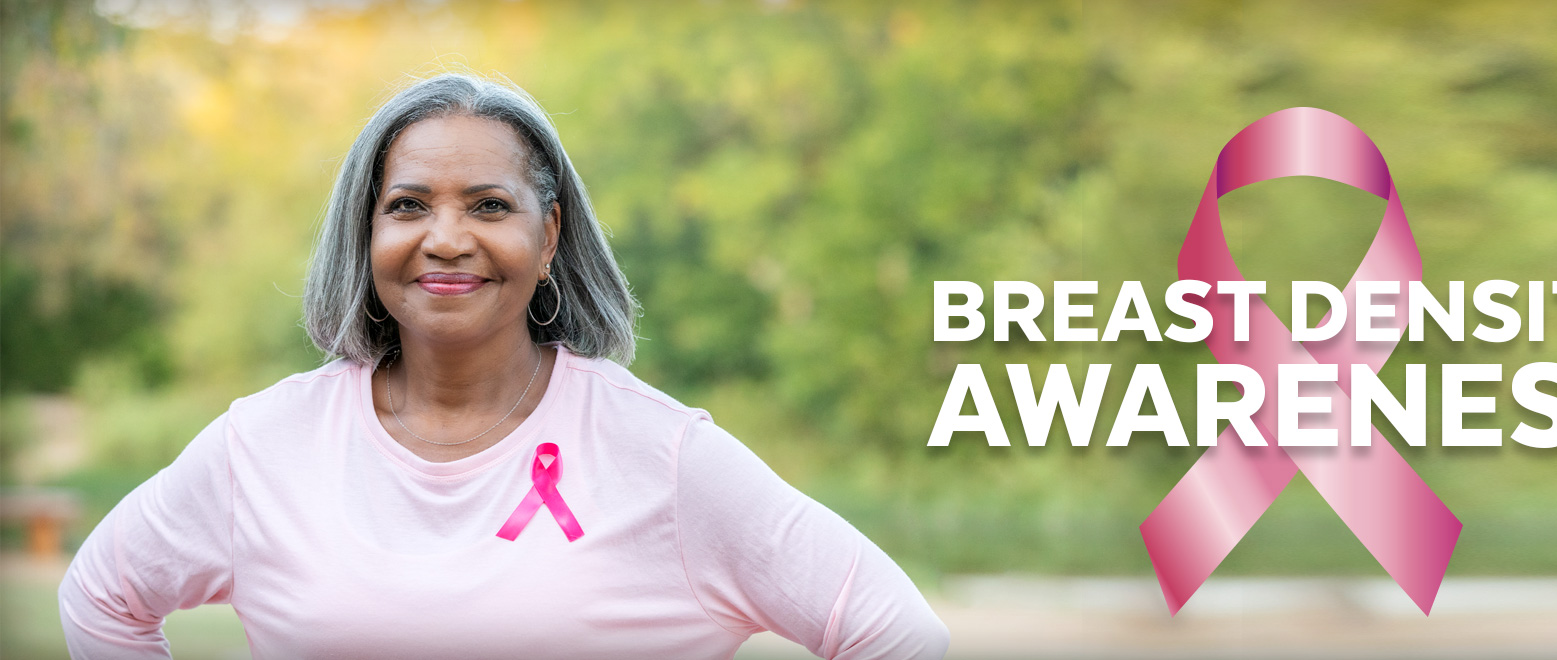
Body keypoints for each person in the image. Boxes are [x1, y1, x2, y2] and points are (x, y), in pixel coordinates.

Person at [58, 71, 950, 659]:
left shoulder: (660, 455)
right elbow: (102, 597)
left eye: (489, 203)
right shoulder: (264, 445)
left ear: (548, 232)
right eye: (408, 205)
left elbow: (893, 629)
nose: (446, 239)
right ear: (367, 233)